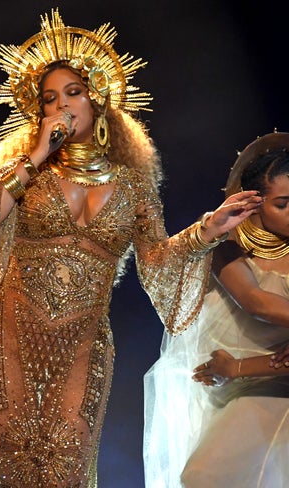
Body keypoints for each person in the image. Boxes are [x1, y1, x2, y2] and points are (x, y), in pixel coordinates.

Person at [0, 10, 261, 487]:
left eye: (72, 92)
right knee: (19, 467)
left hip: (84, 343)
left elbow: (157, 263)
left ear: (97, 98)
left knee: (65, 467)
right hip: (7, 333)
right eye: (50, 99)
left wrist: (208, 229)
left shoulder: (133, 187)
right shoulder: (29, 173)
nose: (62, 106)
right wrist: (37, 154)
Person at [143, 131, 289, 488]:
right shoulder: (227, 244)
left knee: (205, 477)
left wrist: (237, 368)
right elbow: (257, 303)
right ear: (254, 203)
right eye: (283, 204)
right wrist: (234, 371)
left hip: (273, 388)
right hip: (234, 388)